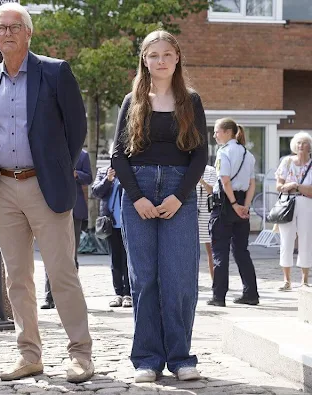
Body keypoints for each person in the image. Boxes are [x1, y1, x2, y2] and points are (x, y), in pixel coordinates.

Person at [0, 3, 94, 384]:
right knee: (18, 279)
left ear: (29, 33)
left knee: (62, 274)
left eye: (15, 27)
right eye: (0, 28)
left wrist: (55, 166)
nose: (7, 32)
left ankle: (81, 355)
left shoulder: (55, 72)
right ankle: (29, 354)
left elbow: (77, 129)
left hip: (46, 187)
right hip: (3, 185)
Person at [111, 30, 207, 383]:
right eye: (154, 55)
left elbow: (200, 156)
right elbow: (118, 155)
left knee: (179, 278)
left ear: (177, 58)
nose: (161, 60)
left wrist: (178, 196)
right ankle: (147, 360)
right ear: (145, 60)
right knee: (144, 279)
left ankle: (181, 357)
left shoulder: (191, 101)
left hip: (177, 192)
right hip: (138, 190)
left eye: (168, 54)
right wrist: (137, 197)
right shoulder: (132, 100)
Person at [207, 118, 259, 308]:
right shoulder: (248, 153)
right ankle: (251, 293)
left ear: (228, 132)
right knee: (241, 251)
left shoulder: (224, 152)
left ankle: (218, 296)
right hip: (241, 203)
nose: (214, 135)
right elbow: (252, 183)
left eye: (216, 131)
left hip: (224, 204)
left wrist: (234, 204)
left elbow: (225, 180)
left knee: (220, 252)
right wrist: (245, 205)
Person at [41, 149, 92, 310]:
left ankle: (71, 297)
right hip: (53, 208)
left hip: (75, 210)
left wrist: (77, 174)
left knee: (71, 255)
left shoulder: (83, 155)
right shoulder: (51, 152)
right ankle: (49, 296)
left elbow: (89, 177)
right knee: (51, 254)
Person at [275, 131, 312, 290]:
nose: (301, 146)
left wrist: (295, 185)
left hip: (306, 204)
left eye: (304, 143)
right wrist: (288, 187)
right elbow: (279, 186)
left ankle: (305, 280)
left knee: (306, 239)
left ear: (310, 146)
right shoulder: (287, 162)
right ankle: (287, 280)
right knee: (286, 240)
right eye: (298, 143)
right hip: (287, 203)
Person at [92, 165, 131, 308]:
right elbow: (96, 192)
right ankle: (118, 294)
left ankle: (128, 293)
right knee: (115, 259)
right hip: (111, 223)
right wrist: (108, 180)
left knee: (128, 259)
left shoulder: (129, 168)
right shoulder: (104, 171)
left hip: (129, 222)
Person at [197, 165, 217, 279]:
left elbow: (211, 190)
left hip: (206, 214)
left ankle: (215, 281)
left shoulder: (210, 171)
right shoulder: (187, 167)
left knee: (211, 250)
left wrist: (200, 180)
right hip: (192, 212)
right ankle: (192, 281)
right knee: (191, 252)